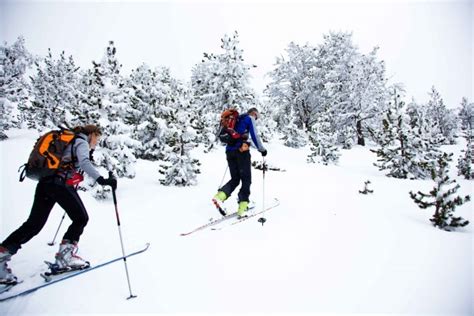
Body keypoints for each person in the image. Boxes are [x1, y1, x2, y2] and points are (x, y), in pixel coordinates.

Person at [0, 124, 117, 284]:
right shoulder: (81, 141)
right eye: (97, 138)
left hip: (46, 183)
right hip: (58, 184)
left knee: (33, 224)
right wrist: (101, 179)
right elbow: (83, 162)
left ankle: (1, 255)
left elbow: (69, 165)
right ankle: (65, 258)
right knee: (81, 218)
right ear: (91, 134)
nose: (97, 142)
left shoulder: (70, 141)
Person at [213, 107, 267, 218]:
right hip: (242, 153)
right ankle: (243, 207)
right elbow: (255, 135)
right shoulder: (249, 118)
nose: (256, 119)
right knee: (246, 179)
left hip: (229, 152)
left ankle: (219, 197)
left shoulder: (236, 120)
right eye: (257, 116)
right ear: (254, 113)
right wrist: (262, 149)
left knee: (235, 179)